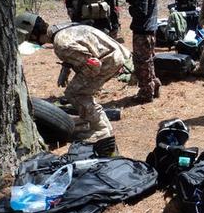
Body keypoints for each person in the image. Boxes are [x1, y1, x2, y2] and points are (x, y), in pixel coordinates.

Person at [14, 13, 130, 142]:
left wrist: (82, 86)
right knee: (78, 91)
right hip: (113, 54)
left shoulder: (60, 44)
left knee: (75, 93)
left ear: (34, 35)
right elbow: (78, 51)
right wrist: (66, 69)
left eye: (29, 38)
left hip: (108, 61)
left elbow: (93, 66)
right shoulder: (60, 28)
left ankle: (101, 129)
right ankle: (95, 121)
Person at [124, 0, 161, 102]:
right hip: (149, 30)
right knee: (149, 60)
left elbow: (141, 11)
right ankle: (154, 85)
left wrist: (131, 5)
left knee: (142, 63)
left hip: (143, 31)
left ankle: (146, 93)